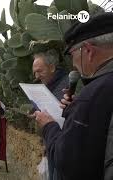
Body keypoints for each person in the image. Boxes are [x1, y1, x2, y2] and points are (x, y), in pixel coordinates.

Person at [34, 13, 113, 180]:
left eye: (73, 55)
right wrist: (75, 110)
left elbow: (67, 161)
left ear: (89, 51)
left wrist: (48, 126)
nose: (74, 63)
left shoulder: (93, 94)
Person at [32, 49, 69, 180]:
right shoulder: (48, 86)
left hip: (64, 149)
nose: (36, 76)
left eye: (40, 71)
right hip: (52, 144)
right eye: (35, 72)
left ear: (52, 67)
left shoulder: (67, 85)